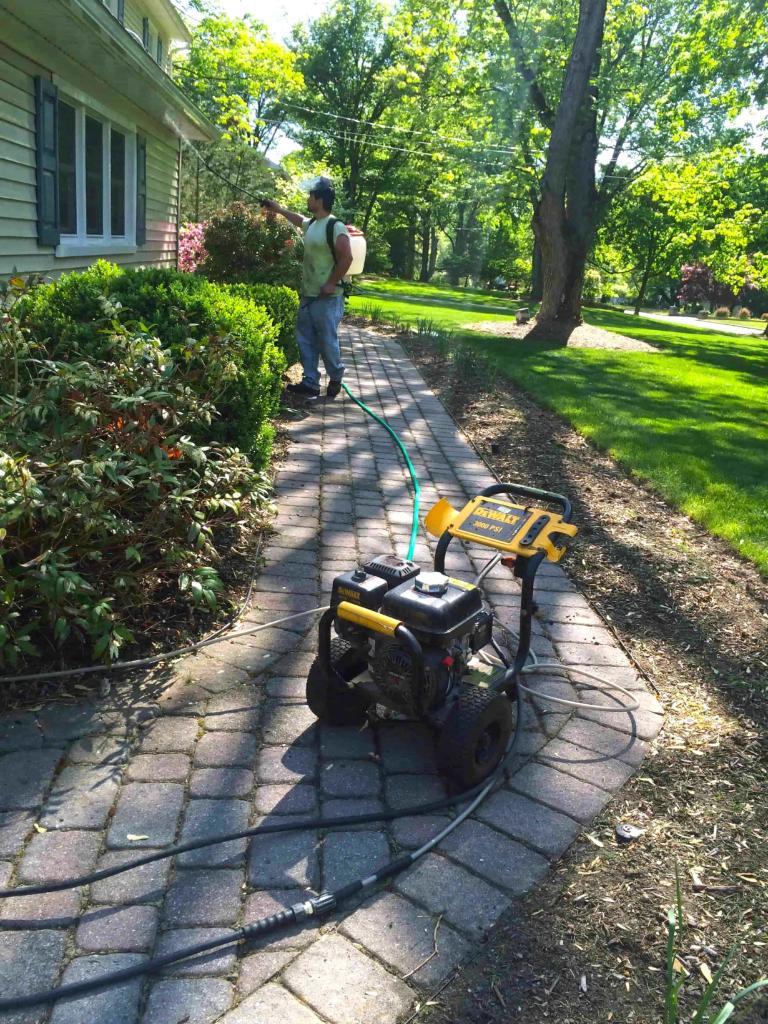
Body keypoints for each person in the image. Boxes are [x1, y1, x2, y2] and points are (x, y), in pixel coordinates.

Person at [262, 178, 352, 400]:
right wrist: (279, 209)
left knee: (327, 341)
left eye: (311, 196)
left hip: (328, 297)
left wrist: (331, 282)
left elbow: (347, 257)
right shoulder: (312, 224)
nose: (308, 199)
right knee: (305, 339)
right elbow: (299, 220)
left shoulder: (335, 226)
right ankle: (310, 382)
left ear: (319, 199)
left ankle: (336, 376)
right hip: (309, 293)